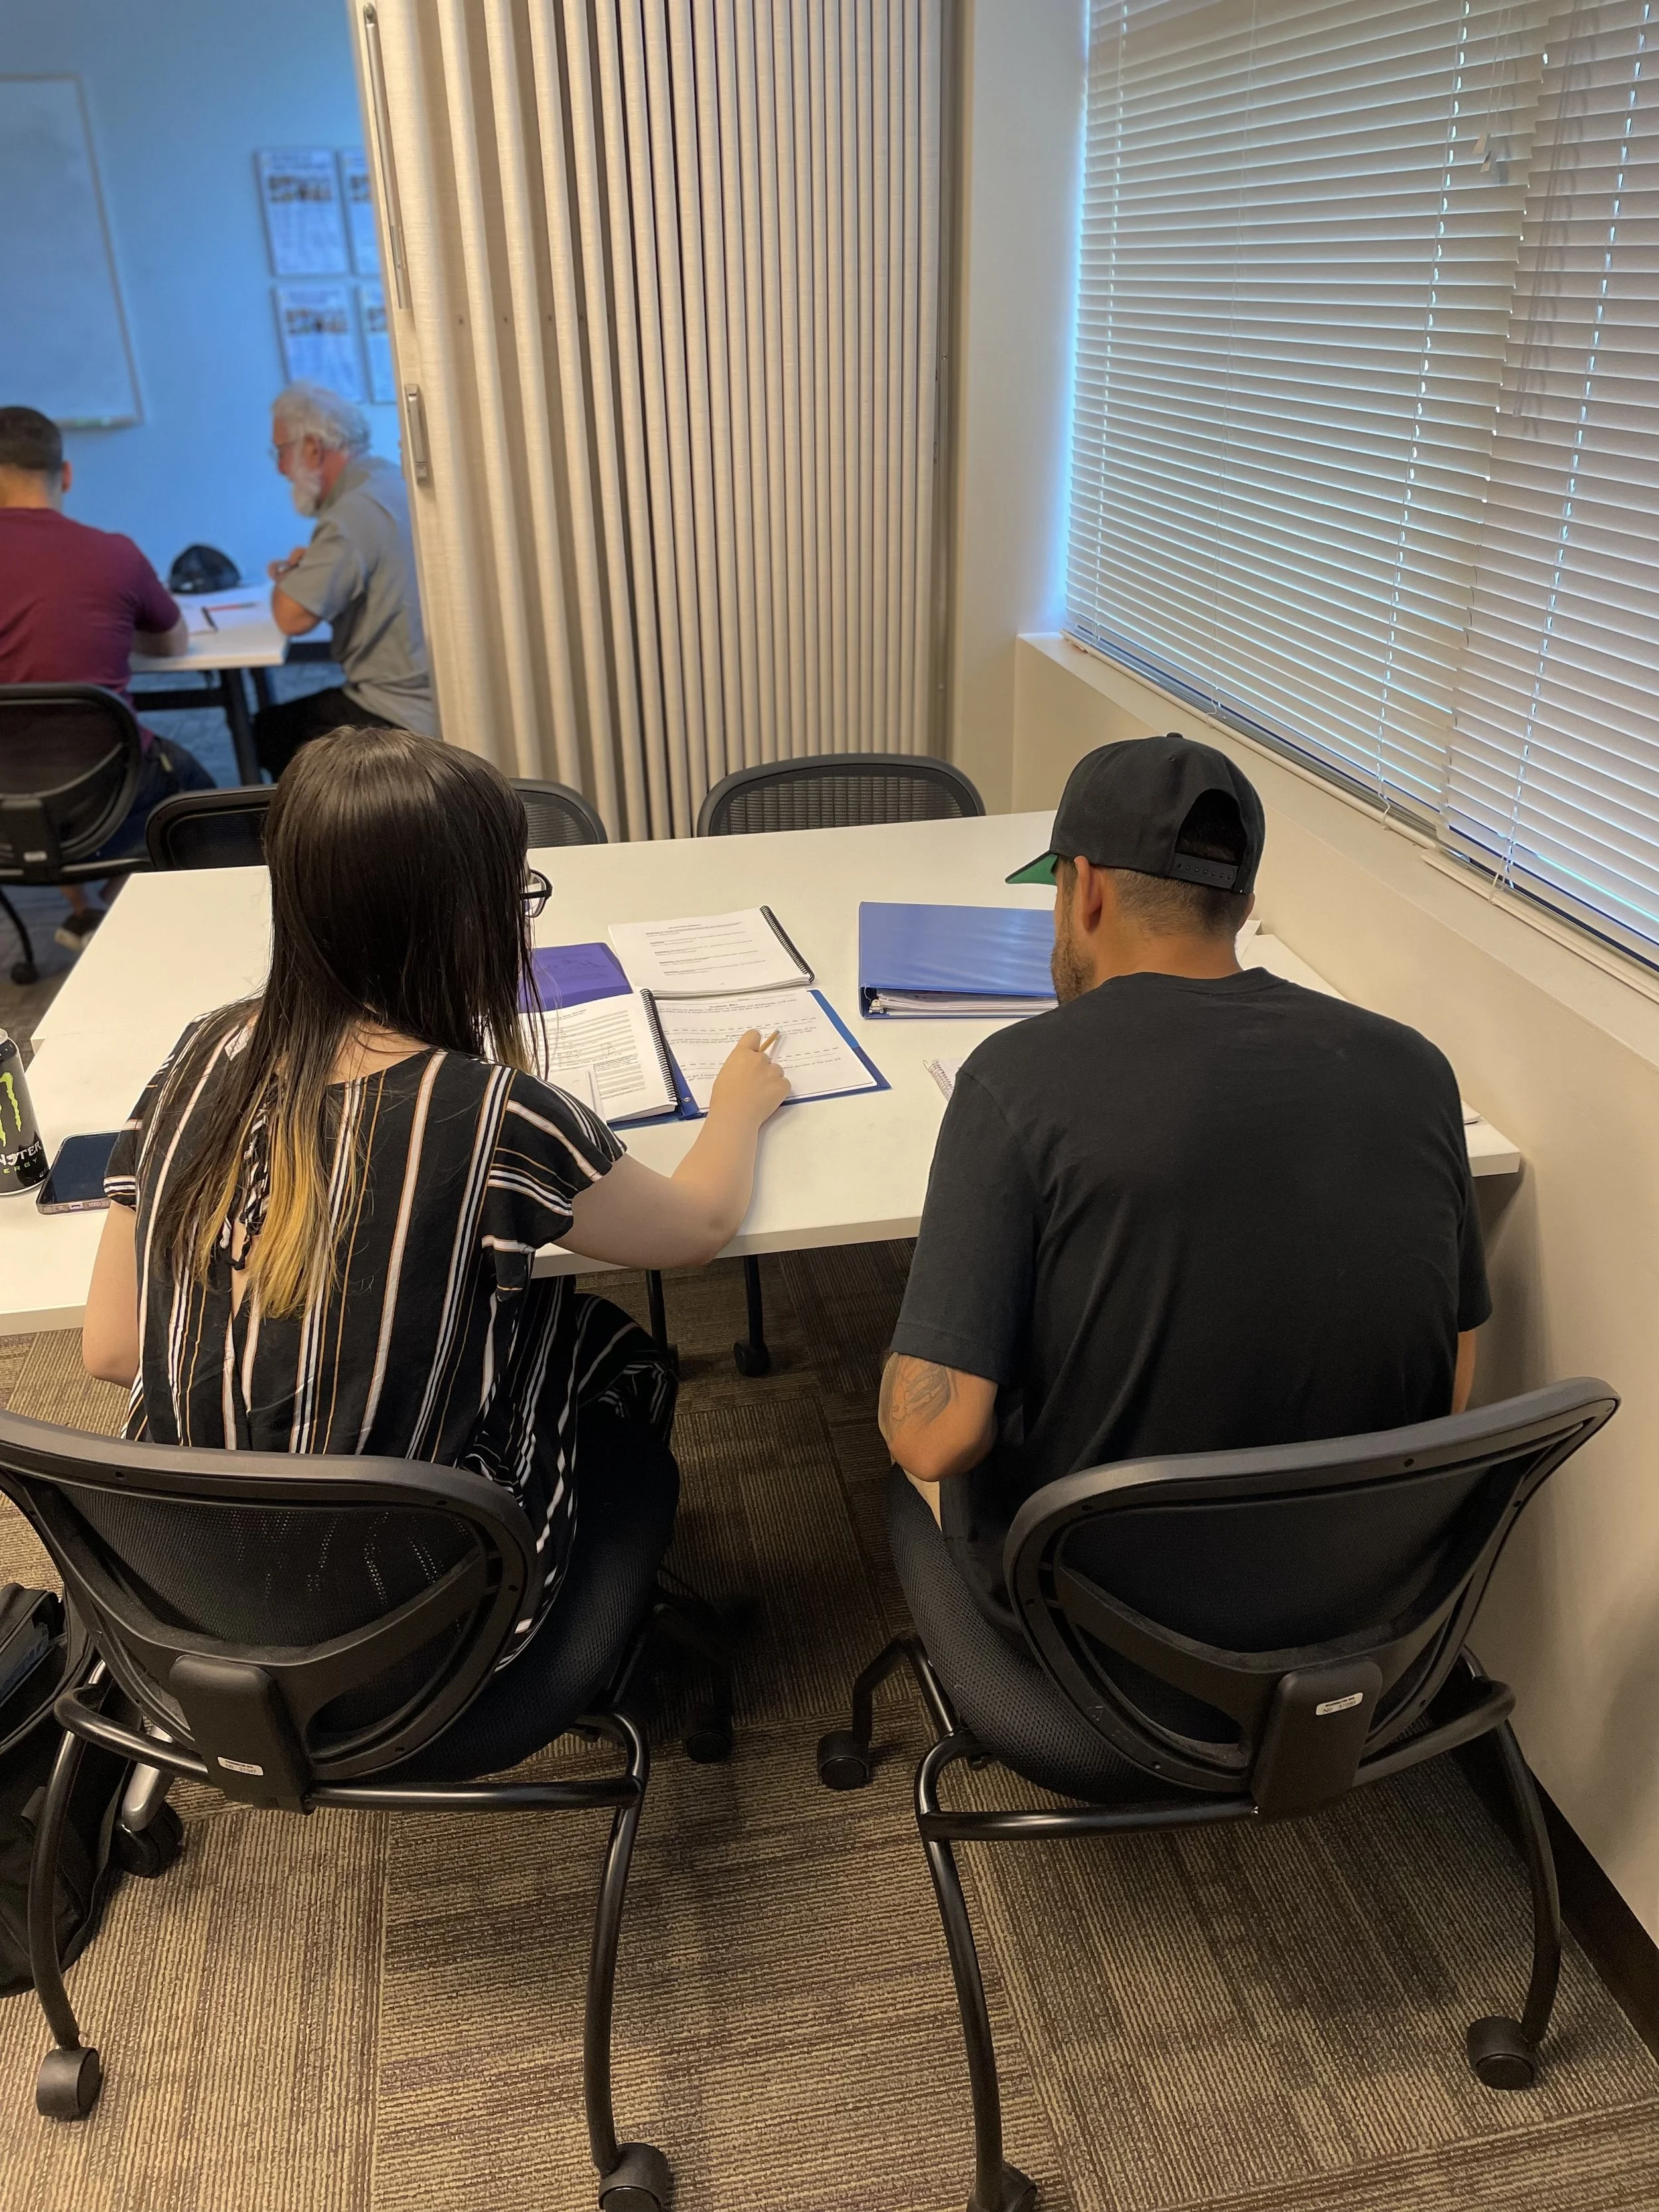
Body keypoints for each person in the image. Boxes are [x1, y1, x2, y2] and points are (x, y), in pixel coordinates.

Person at [81, 725, 787, 1767]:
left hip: (195, 1616)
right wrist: (736, 1108)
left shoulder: (203, 1053)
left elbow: (109, 1348)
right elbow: (698, 1230)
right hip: (428, 1649)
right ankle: (611, 1616)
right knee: (607, 1348)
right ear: (468, 921)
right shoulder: (492, 1114)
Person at [879, 734, 1491, 1637]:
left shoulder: (1017, 1078)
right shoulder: (1416, 1069)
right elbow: (1454, 1379)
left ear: (1084, 890)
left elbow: (935, 1438)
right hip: (1360, 1601)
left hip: (1104, 1628)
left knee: (915, 1431)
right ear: (1242, 905)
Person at [0, 404, 214, 951]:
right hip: (105, 796)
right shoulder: (113, 554)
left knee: (28, 751)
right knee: (199, 796)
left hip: (7, 809)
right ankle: (132, 907)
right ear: (67, 474)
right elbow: (173, 642)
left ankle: (89, 911)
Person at [253, 384, 435, 774]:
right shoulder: (387, 479)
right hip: (431, 688)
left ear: (313, 448)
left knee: (268, 731)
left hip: (397, 710)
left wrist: (286, 576)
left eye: (281, 451)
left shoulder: (351, 513)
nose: (281, 468)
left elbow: (292, 618)